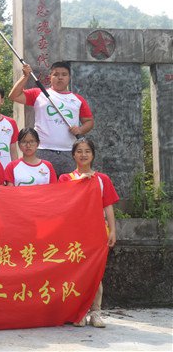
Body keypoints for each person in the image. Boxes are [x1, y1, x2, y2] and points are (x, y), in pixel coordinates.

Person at [59, 138, 118, 328]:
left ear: (93, 155)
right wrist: (79, 183)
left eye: (87, 151)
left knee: (95, 273)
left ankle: (96, 312)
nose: (83, 155)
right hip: (74, 234)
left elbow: (108, 206)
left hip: (97, 232)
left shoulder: (102, 179)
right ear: (73, 155)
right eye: (79, 151)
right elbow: (62, 204)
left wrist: (112, 230)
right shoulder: (65, 179)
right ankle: (79, 312)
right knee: (75, 273)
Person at [8, 62, 94, 176]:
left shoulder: (78, 99)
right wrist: (25, 76)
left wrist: (80, 130)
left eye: (64, 74)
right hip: (42, 150)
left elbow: (89, 121)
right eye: (56, 74)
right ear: (50, 77)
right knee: (43, 185)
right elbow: (14, 96)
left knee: (69, 186)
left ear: (69, 77)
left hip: (69, 152)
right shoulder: (38, 94)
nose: (60, 77)